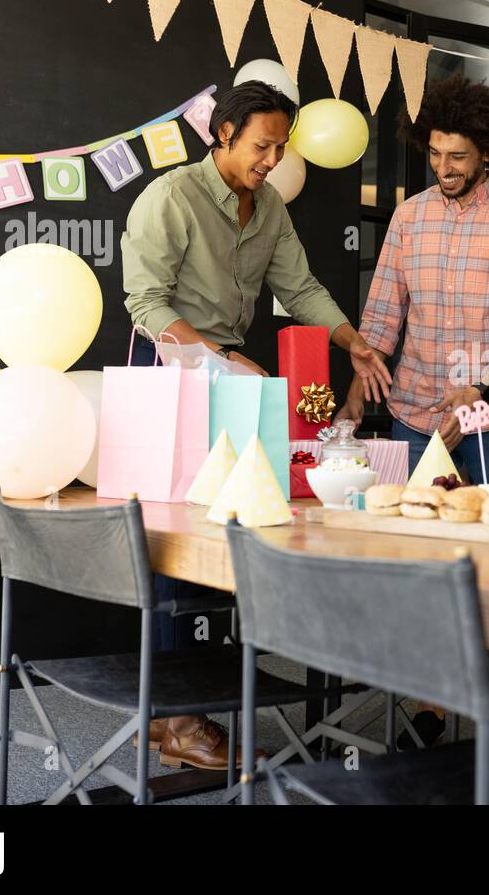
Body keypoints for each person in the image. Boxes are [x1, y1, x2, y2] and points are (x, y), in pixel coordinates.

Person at [121, 81, 391, 770]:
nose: (272, 160)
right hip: (173, 377)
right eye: (261, 146)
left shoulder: (268, 208)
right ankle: (179, 718)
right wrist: (214, 354)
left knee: (219, 540)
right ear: (223, 134)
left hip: (232, 388)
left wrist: (350, 340)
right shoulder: (171, 197)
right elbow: (145, 301)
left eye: (280, 147)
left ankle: (171, 712)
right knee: (178, 546)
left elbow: (298, 287)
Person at [336, 74, 489, 747]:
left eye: (459, 158)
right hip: (417, 423)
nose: (445, 169)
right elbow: (383, 316)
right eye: (436, 155)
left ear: (488, 154)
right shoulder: (409, 217)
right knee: (428, 571)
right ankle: (433, 705)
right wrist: (359, 391)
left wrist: (475, 390)